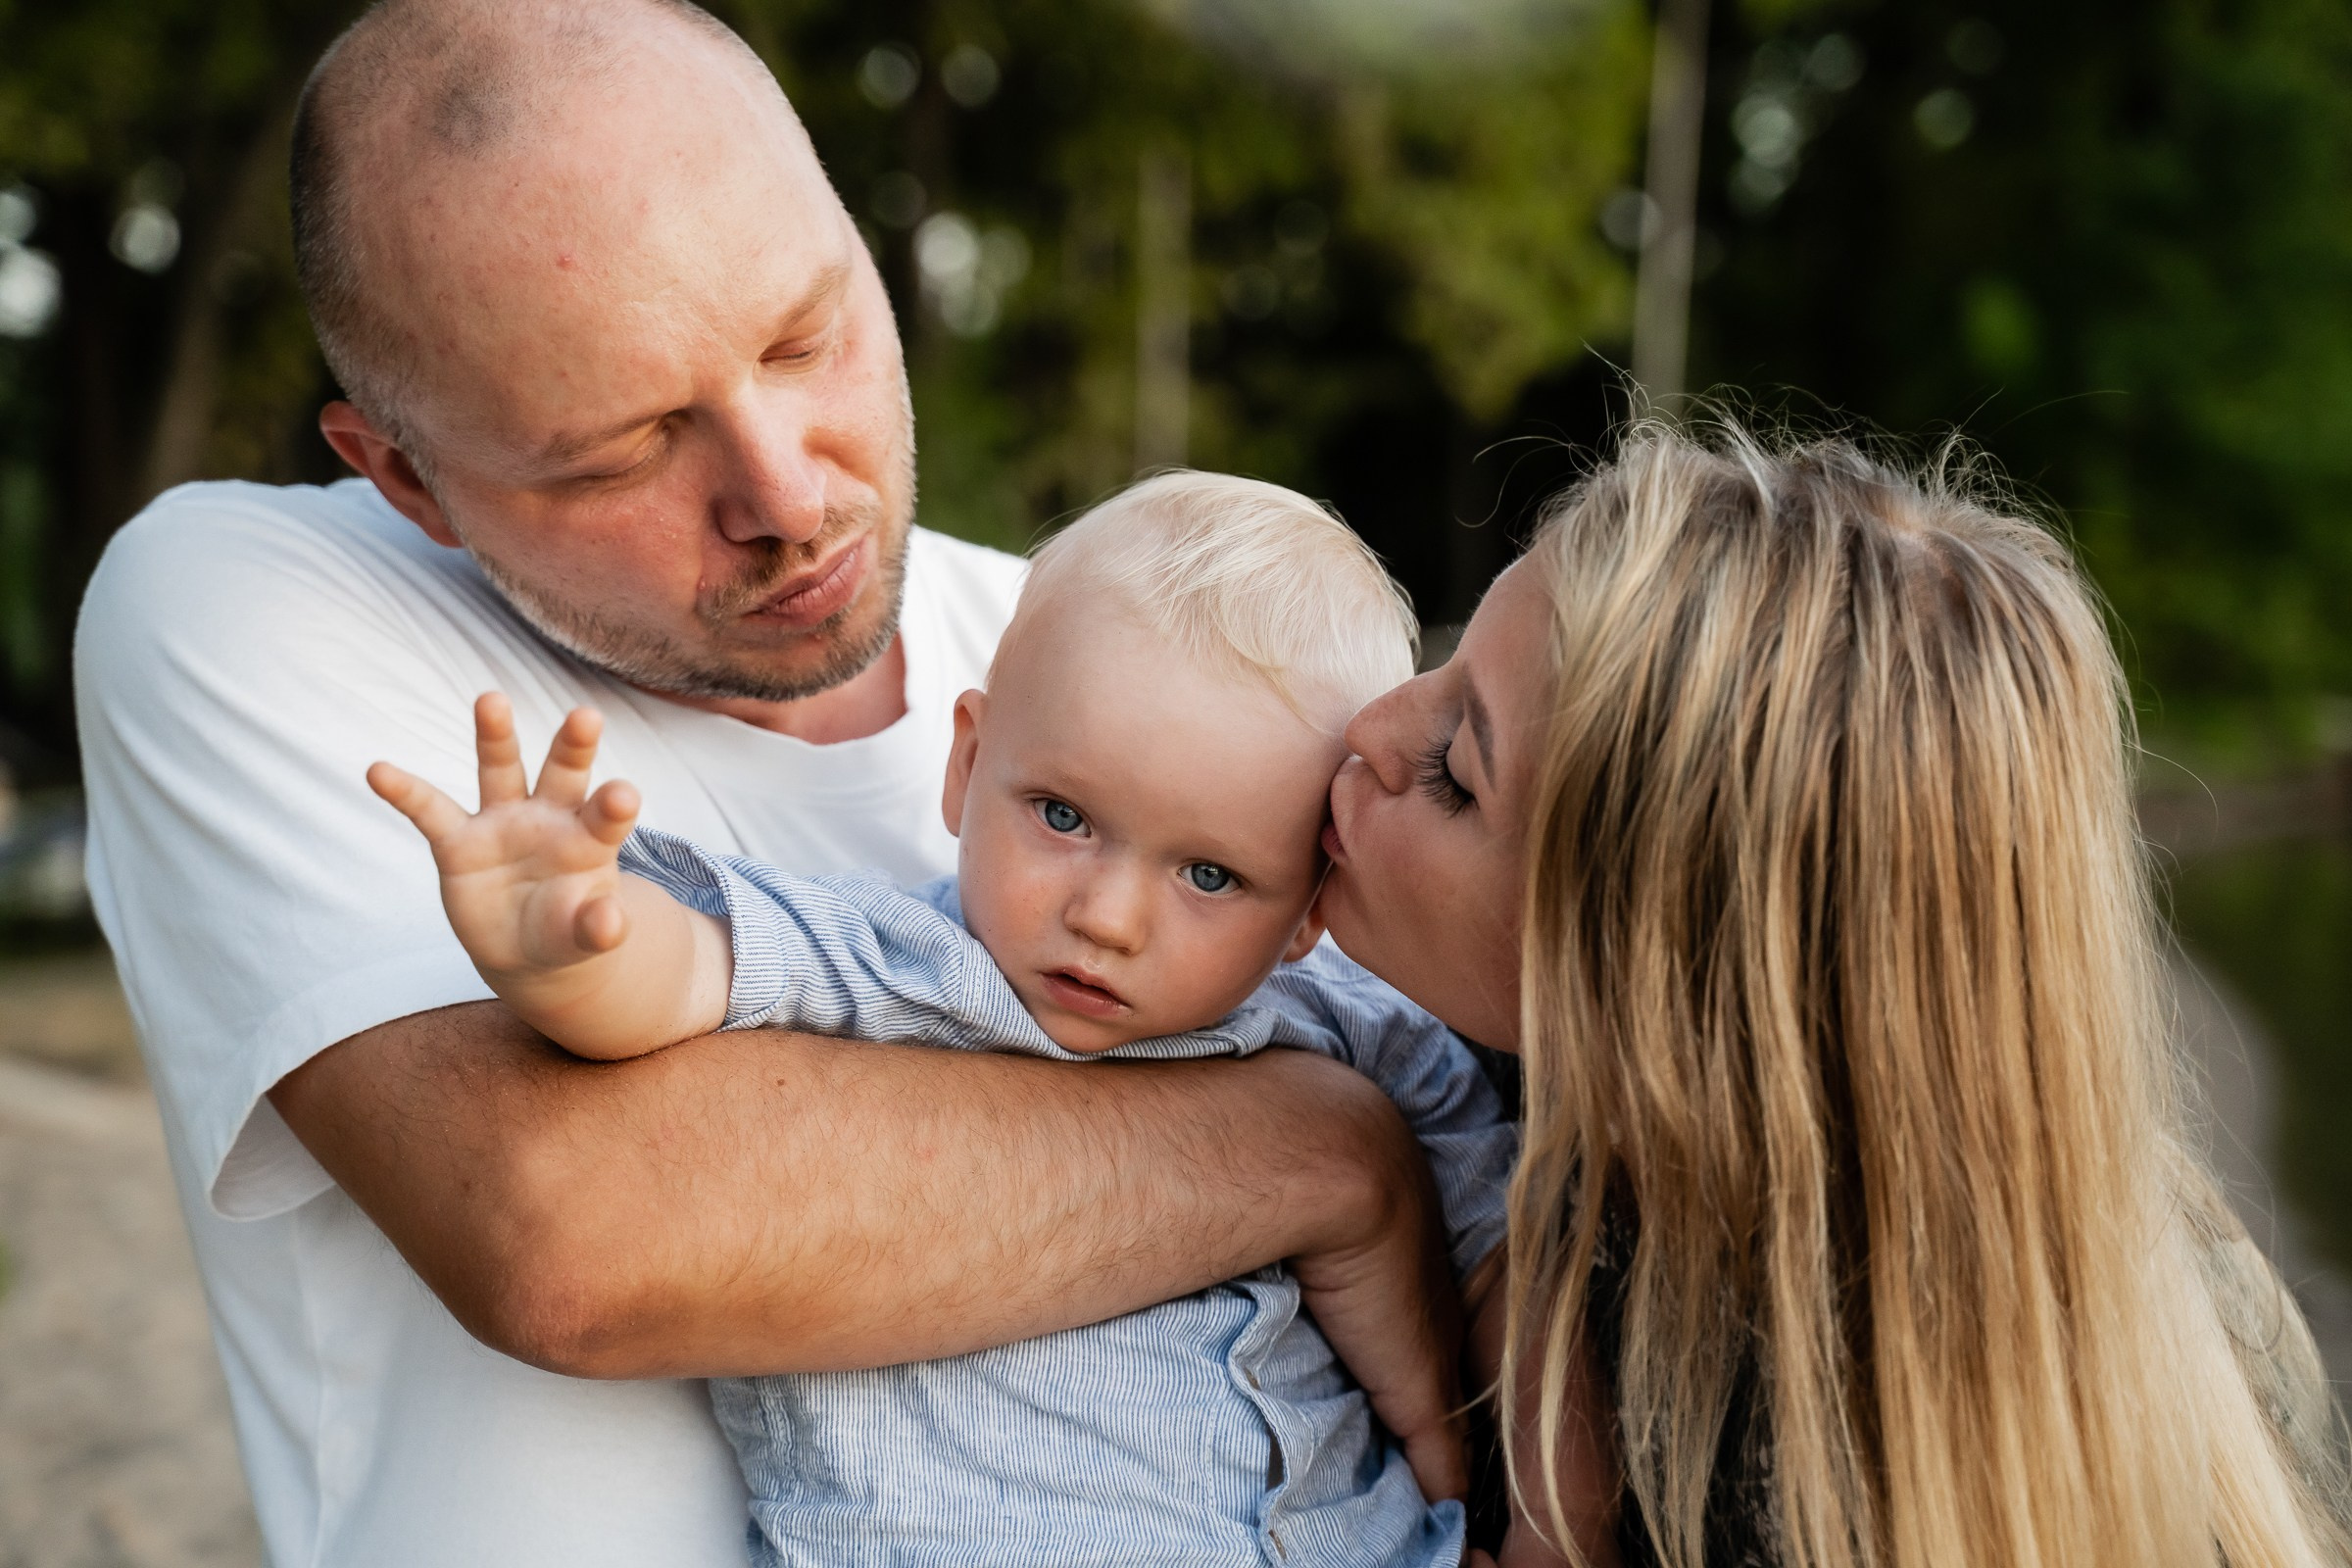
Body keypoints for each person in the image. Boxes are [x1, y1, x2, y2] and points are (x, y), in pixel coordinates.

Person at [73, 4, 1470, 1564]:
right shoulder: (252, 598)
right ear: (408, 479)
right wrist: (1319, 1156)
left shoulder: (1106, 663)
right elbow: (578, 1239)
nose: (791, 499)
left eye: (810, 338)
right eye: (624, 449)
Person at [373, 471, 1516, 1567]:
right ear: (967, 762)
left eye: (1209, 876)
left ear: (1311, 906)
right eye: (1063, 815)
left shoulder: (1349, 1023)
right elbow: (684, 973)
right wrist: (570, 937)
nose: (1107, 916)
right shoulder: (897, 966)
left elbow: (1509, 1261)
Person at [1321, 423, 2352, 1566]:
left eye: (1455, 775)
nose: (1367, 728)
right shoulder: (2136, 1269)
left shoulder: (1750, 1492)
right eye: (1443, 667)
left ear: (1661, 991)